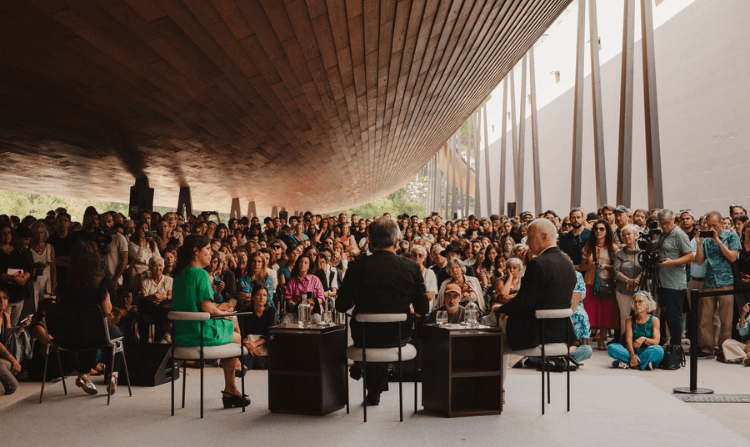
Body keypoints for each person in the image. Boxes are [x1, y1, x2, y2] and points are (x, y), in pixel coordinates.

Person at [335, 217, 429, 406]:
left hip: (364, 335)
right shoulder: (411, 267)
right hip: (398, 335)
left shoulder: (356, 267)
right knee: (384, 335)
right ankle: (373, 387)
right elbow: (423, 308)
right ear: (396, 242)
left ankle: (371, 384)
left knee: (372, 336)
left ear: (370, 241)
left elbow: (341, 306)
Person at [495, 219, 576, 387]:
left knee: (489, 329)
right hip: (560, 332)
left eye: (530, 237)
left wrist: (501, 309)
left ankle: (495, 387)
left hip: (537, 333)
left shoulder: (538, 263)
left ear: (544, 236)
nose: (527, 242)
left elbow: (525, 302)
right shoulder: (568, 263)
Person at [171, 234, 249, 408]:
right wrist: (223, 313)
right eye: (207, 249)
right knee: (237, 337)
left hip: (182, 334)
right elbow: (207, 308)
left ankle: (234, 379)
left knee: (232, 319)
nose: (211, 253)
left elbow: (196, 306)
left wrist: (220, 308)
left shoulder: (179, 275)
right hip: (199, 333)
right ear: (196, 251)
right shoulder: (201, 274)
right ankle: (231, 386)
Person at [57, 241, 123, 395]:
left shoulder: (65, 281)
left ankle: (84, 374)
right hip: (95, 333)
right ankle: (113, 374)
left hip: (69, 334)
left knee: (90, 334)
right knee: (115, 334)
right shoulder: (100, 280)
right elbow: (107, 310)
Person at [695, 211, 740, 359]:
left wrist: (718, 241)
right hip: (709, 280)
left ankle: (723, 348)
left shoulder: (731, 236)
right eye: (709, 225)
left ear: (721, 223)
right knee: (705, 317)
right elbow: (700, 261)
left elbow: (733, 257)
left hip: (726, 281)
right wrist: (699, 244)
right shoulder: (706, 239)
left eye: (715, 225)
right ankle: (707, 348)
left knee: (726, 318)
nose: (712, 228)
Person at [656, 209, 694, 348]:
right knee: (664, 314)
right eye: (661, 223)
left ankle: (676, 345)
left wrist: (672, 262)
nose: (664, 226)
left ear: (673, 221)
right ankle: (666, 342)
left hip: (675, 282)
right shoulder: (661, 234)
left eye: (667, 223)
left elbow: (690, 256)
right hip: (661, 280)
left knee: (673, 315)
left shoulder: (679, 234)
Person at [580, 219, 619, 350]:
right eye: (596, 229)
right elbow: (582, 266)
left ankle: (602, 340)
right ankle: (585, 338)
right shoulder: (588, 247)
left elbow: (618, 267)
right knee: (588, 311)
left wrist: (606, 266)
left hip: (607, 282)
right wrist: (591, 266)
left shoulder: (614, 248)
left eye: (602, 229)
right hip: (590, 282)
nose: (598, 231)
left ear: (607, 231)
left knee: (605, 312)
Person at [607, 291, 664, 370]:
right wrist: (633, 354)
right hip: (633, 352)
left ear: (647, 304)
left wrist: (643, 339)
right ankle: (642, 363)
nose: (637, 304)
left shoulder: (654, 320)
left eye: (640, 301)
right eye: (635, 302)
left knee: (659, 350)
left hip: (648, 351)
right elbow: (628, 340)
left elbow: (656, 341)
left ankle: (629, 363)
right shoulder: (629, 320)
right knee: (611, 348)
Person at [613, 224, 644, 336]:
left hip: (641, 289)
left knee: (640, 315)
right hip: (622, 289)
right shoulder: (619, 253)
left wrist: (637, 280)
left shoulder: (643, 252)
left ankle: (640, 340)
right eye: (623, 235)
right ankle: (625, 340)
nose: (626, 237)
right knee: (624, 316)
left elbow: (646, 268)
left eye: (629, 234)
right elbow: (616, 272)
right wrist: (628, 281)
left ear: (636, 235)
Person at [138, 257, 173, 344]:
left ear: (163, 267)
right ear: (150, 268)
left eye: (160, 265)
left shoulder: (169, 280)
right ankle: (145, 345)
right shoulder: (145, 282)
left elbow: (170, 296)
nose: (158, 268)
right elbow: (143, 297)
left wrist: (163, 298)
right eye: (155, 266)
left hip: (163, 307)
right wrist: (151, 297)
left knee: (165, 308)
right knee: (144, 317)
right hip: (150, 309)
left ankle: (161, 341)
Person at [282, 254, 324, 323]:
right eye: (301, 262)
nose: (302, 264)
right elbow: (289, 299)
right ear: (298, 264)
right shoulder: (292, 281)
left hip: (313, 311)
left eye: (305, 262)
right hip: (298, 311)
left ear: (309, 266)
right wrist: (298, 305)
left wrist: (309, 304)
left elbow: (321, 298)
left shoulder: (315, 280)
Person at [241, 286, 276, 370]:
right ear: (252, 297)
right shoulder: (244, 311)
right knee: (244, 359)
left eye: (264, 295)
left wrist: (255, 344)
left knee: (268, 361)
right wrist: (248, 345)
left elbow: (270, 333)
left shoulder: (270, 311)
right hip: (247, 343)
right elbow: (240, 333)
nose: (261, 298)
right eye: (258, 295)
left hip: (263, 344)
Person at [0, 287, 21, 396]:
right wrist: (13, 359)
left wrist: (22, 327)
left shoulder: (5, 315)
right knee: (7, 388)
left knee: (10, 387)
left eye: (4, 298)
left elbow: (9, 340)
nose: (2, 301)